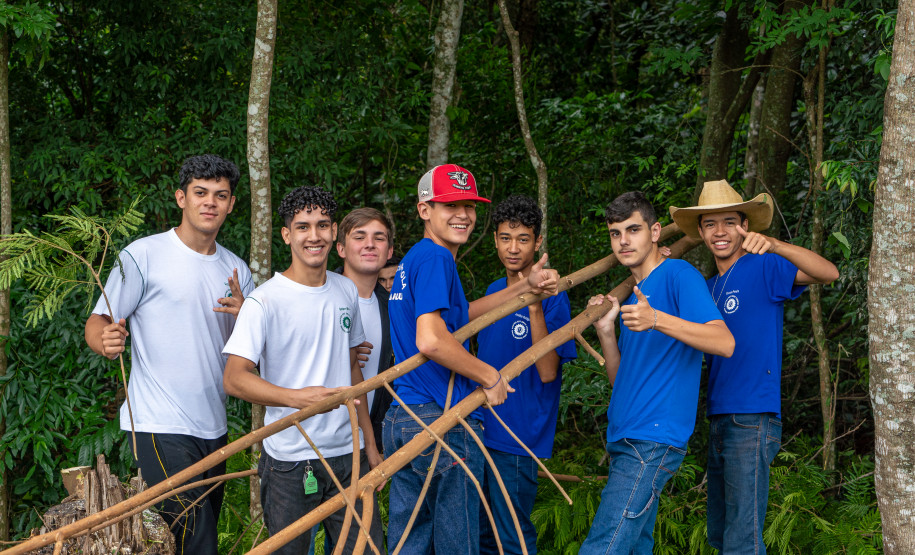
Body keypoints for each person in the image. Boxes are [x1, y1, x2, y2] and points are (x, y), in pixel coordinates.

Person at [383, 164, 559, 555]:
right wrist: (489, 376)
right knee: (456, 544)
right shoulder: (437, 259)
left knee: (412, 541)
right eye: (450, 205)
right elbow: (431, 341)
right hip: (443, 418)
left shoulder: (417, 257)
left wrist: (524, 289)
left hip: (405, 416)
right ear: (424, 210)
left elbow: (462, 316)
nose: (463, 214)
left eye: (469, 205)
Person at [84, 154, 253, 555]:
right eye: (200, 192)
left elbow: (250, 354)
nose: (210, 202)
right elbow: (99, 320)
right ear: (181, 198)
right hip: (158, 424)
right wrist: (102, 339)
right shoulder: (143, 255)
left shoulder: (236, 270)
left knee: (181, 539)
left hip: (213, 426)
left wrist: (249, 317)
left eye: (220, 195)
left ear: (230, 204)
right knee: (198, 538)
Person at [669, 180, 839, 555]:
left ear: (745, 226)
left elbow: (829, 273)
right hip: (718, 416)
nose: (720, 232)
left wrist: (776, 244)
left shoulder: (763, 266)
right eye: (710, 224)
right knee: (720, 533)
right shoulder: (706, 288)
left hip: (752, 415)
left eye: (729, 222)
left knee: (743, 540)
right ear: (700, 232)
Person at [222, 186, 383, 554]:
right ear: (286, 234)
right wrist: (297, 399)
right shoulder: (264, 301)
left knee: (367, 548)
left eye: (323, 225)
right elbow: (234, 377)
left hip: (349, 453)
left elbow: (352, 371)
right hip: (291, 460)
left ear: (334, 231)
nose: (314, 236)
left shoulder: (345, 290)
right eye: (303, 226)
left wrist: (370, 444)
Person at [579, 191, 735, 554]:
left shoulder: (678, 274)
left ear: (655, 232)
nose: (623, 241)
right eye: (615, 233)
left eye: (633, 230)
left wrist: (657, 319)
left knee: (603, 545)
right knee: (634, 547)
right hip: (623, 437)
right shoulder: (635, 297)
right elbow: (622, 382)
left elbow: (724, 341)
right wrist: (605, 331)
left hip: (651, 439)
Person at [478, 194, 577, 555]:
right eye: (505, 238)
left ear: (537, 242)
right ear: (495, 241)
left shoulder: (553, 296)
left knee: (512, 535)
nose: (513, 248)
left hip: (518, 437)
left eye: (523, 239)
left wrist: (535, 307)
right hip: (481, 431)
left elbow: (549, 372)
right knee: (483, 536)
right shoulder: (492, 292)